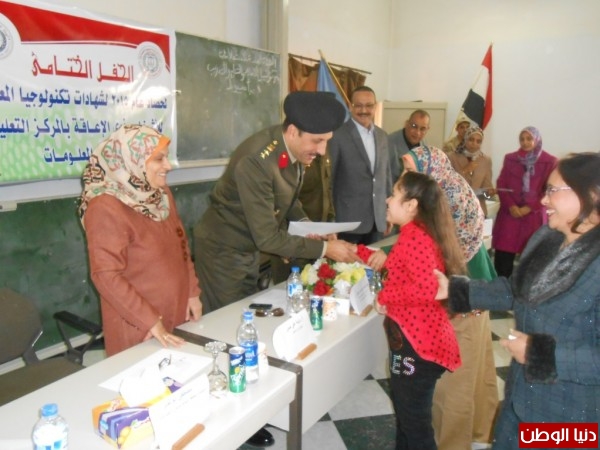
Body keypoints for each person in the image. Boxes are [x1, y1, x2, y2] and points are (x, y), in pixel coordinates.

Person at [435, 152, 600, 449]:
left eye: (553, 190)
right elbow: (516, 290)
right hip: (519, 399)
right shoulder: (546, 239)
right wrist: (456, 290)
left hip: (571, 417)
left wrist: (539, 354)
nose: (544, 200)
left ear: (591, 196)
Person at [193, 91, 359, 313]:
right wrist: (325, 249)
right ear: (293, 132)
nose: (322, 151)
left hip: (248, 247)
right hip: (223, 251)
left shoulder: (293, 148)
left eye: (326, 141)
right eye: (317, 141)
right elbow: (267, 237)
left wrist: (309, 227)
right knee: (229, 317)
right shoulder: (256, 162)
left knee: (245, 311)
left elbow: (287, 197)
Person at [359, 171, 466, 450]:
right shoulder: (415, 234)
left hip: (416, 349)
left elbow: (428, 288)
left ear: (411, 205)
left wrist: (386, 295)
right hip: (416, 344)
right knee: (408, 420)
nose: (387, 199)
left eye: (394, 194)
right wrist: (356, 251)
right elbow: (403, 271)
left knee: (415, 426)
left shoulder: (415, 238)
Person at [402, 146, 499, 450]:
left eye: (410, 170)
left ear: (429, 169)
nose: (405, 176)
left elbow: (435, 252)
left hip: (460, 293)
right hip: (475, 288)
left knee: (454, 378)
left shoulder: (443, 197)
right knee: (477, 367)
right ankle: (481, 431)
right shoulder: (449, 185)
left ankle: (452, 443)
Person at [78, 124, 202, 356]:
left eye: (166, 157)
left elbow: (181, 243)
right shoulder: (104, 207)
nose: (168, 166)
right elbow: (106, 276)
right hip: (137, 324)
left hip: (177, 310)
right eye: (159, 159)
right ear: (131, 161)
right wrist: (151, 322)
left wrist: (192, 291)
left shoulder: (160, 194)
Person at [328, 85, 392, 245]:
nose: (364, 110)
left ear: (375, 107)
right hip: (348, 222)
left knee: (375, 260)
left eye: (369, 105)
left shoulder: (383, 136)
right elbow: (328, 182)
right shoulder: (336, 135)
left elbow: (386, 177)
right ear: (350, 107)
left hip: (378, 222)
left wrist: (389, 213)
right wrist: (330, 221)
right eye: (358, 105)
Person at [492, 126, 557, 278]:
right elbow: (502, 184)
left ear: (537, 140)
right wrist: (511, 206)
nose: (525, 142)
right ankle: (500, 287)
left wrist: (529, 207)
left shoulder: (550, 161)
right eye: (522, 139)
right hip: (510, 214)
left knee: (531, 259)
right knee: (503, 258)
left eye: (529, 139)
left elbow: (548, 189)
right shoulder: (510, 158)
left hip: (533, 215)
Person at [270, 149, 335, 284]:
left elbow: (327, 191)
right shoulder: (289, 154)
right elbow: (280, 204)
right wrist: (284, 245)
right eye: (319, 140)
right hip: (293, 243)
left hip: (319, 239)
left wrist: (331, 223)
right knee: (291, 290)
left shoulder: (322, 150)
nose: (322, 147)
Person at [448, 126, 494, 216]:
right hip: (456, 208)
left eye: (478, 141)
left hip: (477, 210)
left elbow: (485, 191)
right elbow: (448, 183)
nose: (474, 143)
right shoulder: (452, 157)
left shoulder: (486, 160)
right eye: (471, 139)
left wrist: (489, 193)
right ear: (465, 139)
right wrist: (465, 170)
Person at [388, 109, 431, 182]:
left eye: (423, 129)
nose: (417, 133)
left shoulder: (425, 146)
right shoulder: (389, 143)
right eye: (414, 126)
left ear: (427, 129)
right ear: (406, 124)